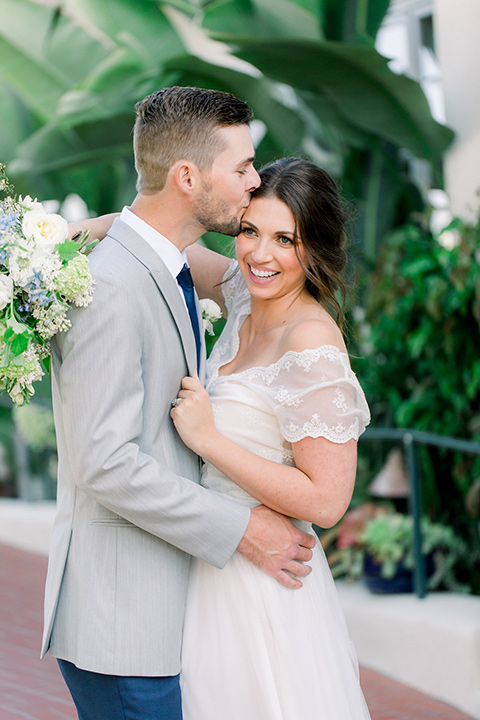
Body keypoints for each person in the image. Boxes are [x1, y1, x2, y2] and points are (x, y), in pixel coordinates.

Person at [41, 88, 316, 720]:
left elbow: (250, 292)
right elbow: (104, 462)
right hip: (122, 624)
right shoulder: (109, 286)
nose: (254, 183)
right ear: (188, 177)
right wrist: (243, 530)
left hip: (163, 612)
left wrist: (106, 226)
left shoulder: (158, 264)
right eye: (243, 167)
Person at [86, 157, 372, 718]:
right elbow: (166, 243)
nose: (260, 255)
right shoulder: (246, 291)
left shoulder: (311, 344)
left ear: (313, 249)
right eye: (249, 231)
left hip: (262, 587)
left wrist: (210, 440)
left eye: (285, 239)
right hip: (205, 560)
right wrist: (79, 233)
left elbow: (329, 500)